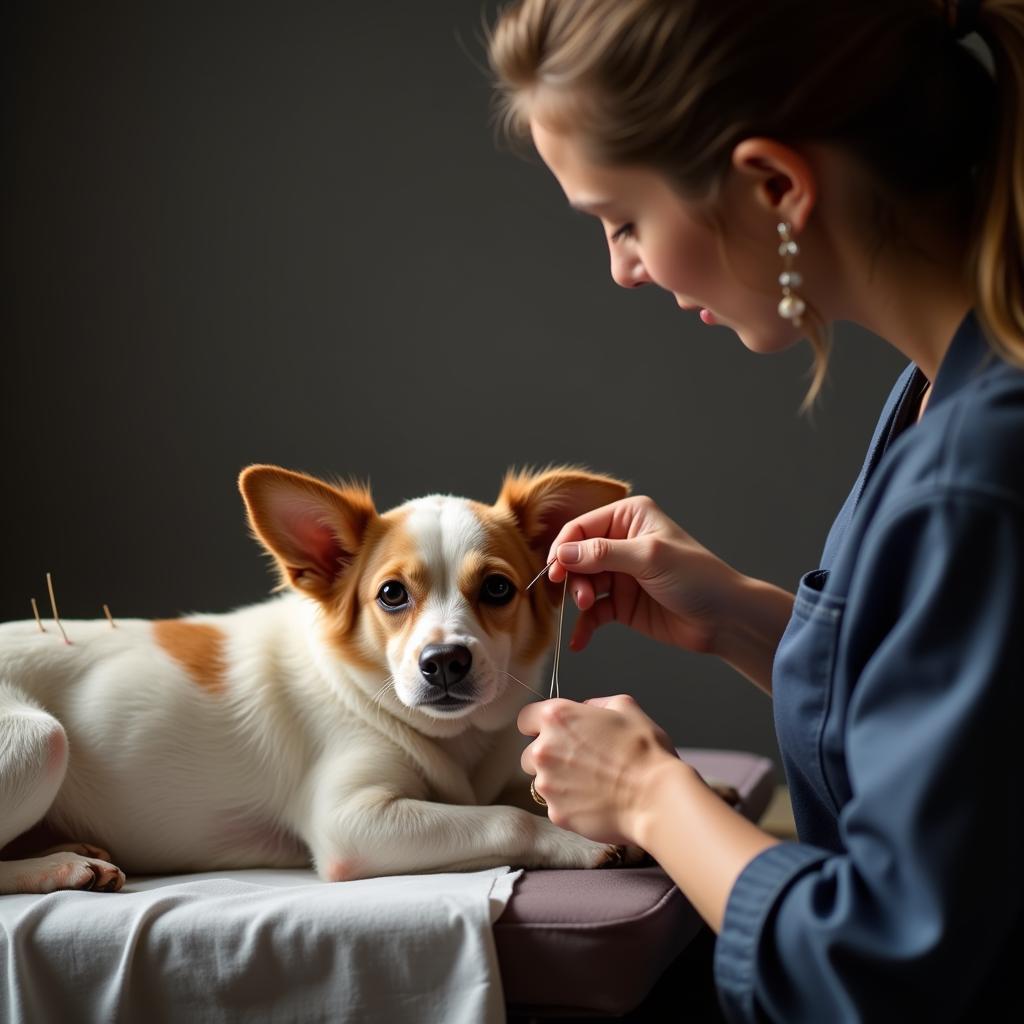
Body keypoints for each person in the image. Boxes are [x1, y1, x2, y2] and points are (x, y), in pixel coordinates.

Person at [487, 0, 1023, 1020]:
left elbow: (875, 964)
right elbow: (969, 740)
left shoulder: (979, 469)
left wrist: (648, 791)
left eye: (624, 220)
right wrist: (739, 618)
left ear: (772, 185)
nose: (622, 267)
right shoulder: (934, 393)